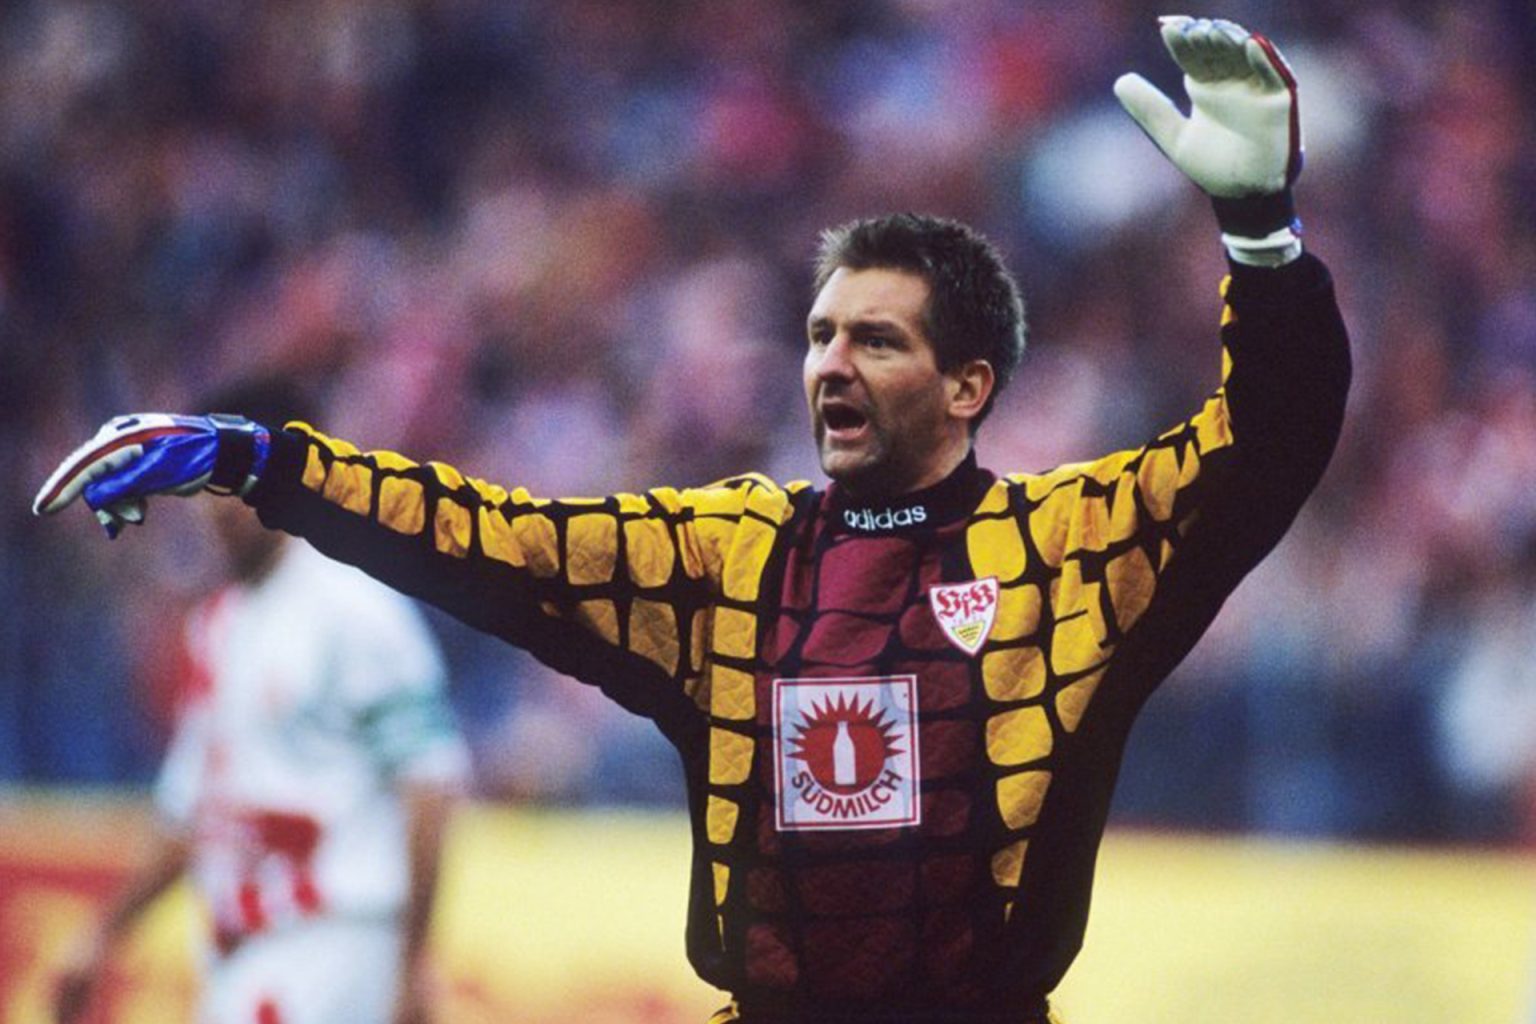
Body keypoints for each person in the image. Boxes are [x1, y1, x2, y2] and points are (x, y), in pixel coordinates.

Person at [36, 18, 1349, 1024]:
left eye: (877, 339)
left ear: (969, 386)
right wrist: (265, 463)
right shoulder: (732, 556)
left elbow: (1267, 444)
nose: (830, 364)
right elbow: (488, 537)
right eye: (820, 334)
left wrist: (1262, 240)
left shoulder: (1068, 547)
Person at [49, 380, 472, 1024]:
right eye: (203, 483)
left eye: (231, 481)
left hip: (334, 940)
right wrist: (105, 932)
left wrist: (413, 961)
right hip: (241, 952)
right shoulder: (217, 625)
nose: (214, 507)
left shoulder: (357, 608)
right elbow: (193, 813)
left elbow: (430, 783)